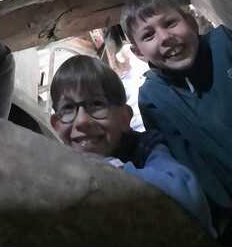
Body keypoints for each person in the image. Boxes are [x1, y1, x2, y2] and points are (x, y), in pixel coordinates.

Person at [121, 0, 232, 244]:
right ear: (138, 52)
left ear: (191, 21)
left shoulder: (227, 46)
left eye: (170, 23)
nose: (165, 37)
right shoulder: (154, 98)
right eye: (148, 35)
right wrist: (229, 228)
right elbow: (191, 167)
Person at [49, 55, 213, 235]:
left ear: (125, 117)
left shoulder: (144, 148)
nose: (82, 121)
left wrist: (111, 169)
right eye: (68, 108)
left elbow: (190, 199)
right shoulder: (55, 168)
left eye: (96, 104)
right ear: (56, 125)